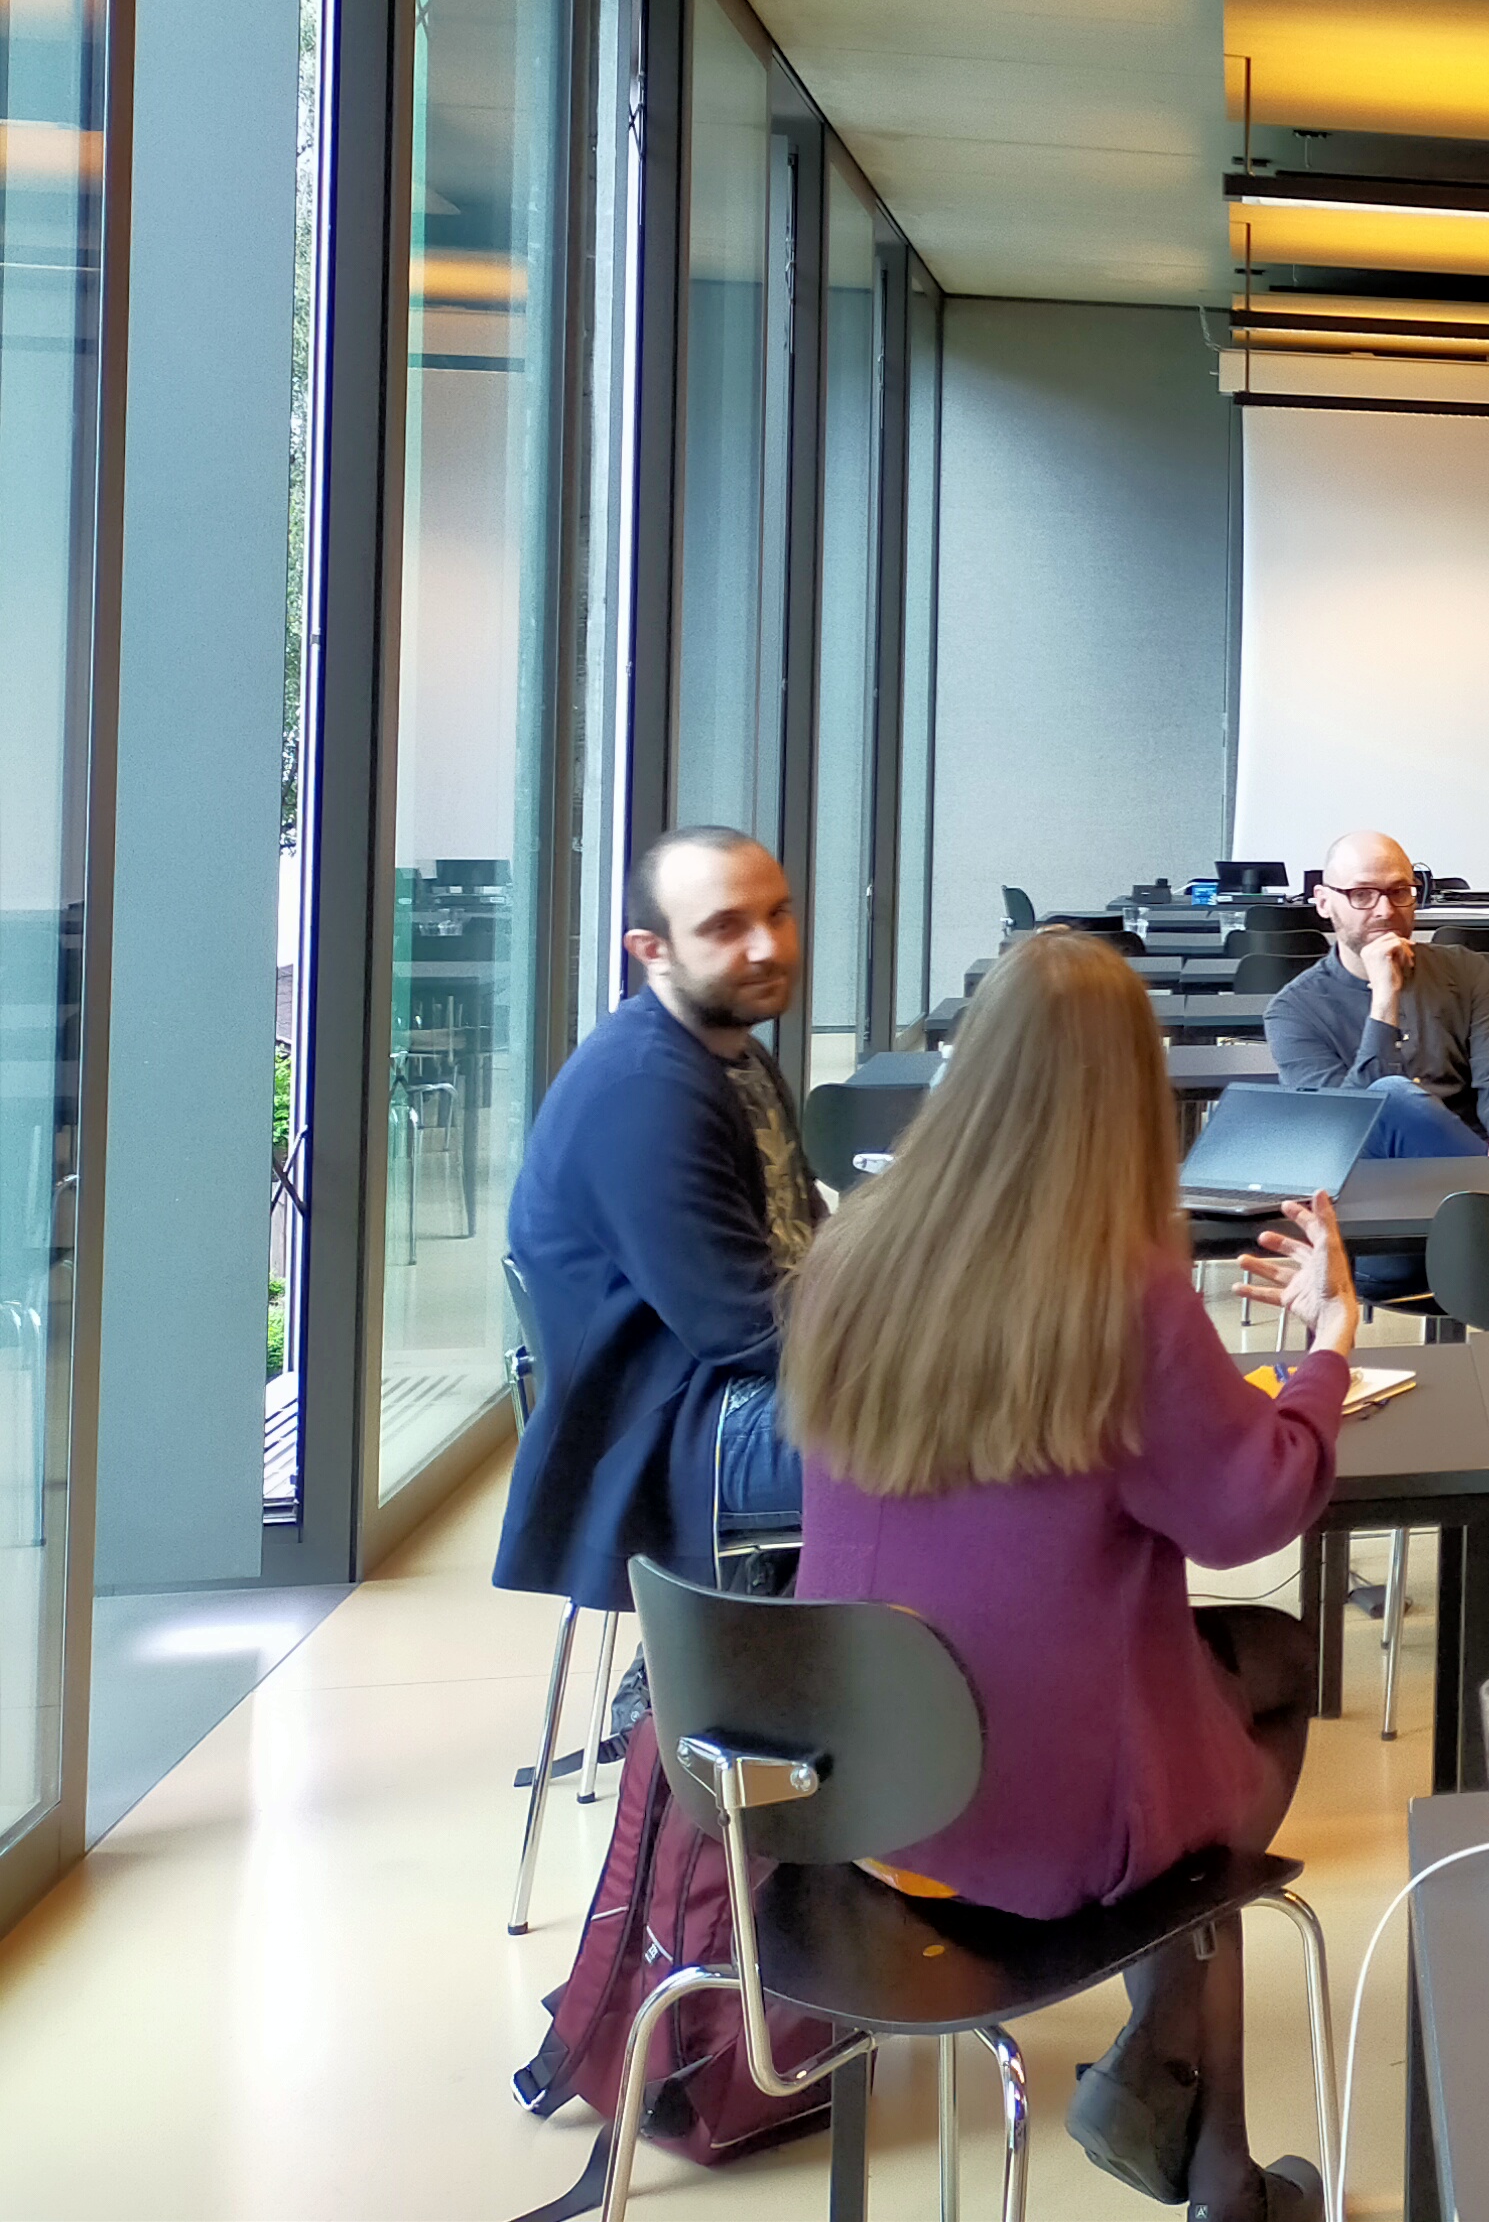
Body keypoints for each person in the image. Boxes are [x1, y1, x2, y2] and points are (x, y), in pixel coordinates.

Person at [786, 929, 1346, 2222]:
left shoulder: (849, 1254)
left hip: (849, 1781)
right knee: (1267, 1677)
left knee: (1238, 1675)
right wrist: (1326, 1345)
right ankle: (1187, 2113)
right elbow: (1250, 1510)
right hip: (1030, 1816)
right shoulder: (1121, 1298)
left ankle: (1177, 2094)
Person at [496, 826, 819, 1613]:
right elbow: (750, 1331)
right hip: (678, 1435)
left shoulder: (732, 1054)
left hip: (728, 1395)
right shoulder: (645, 1092)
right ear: (653, 950)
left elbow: (807, 1247)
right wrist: (943, 1365)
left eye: (777, 915)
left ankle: (762, 1654)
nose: (766, 947)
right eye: (725, 927)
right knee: (999, 1442)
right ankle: (724, 1660)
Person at [1265, 828, 1489, 1304]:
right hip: (1380, 1230)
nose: (1385, 909)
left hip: (1477, 1190)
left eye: (1400, 891)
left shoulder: (1466, 971)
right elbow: (1346, 1133)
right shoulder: (1292, 1011)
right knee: (1391, 1096)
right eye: (1362, 894)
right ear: (1324, 902)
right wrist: (1385, 998)